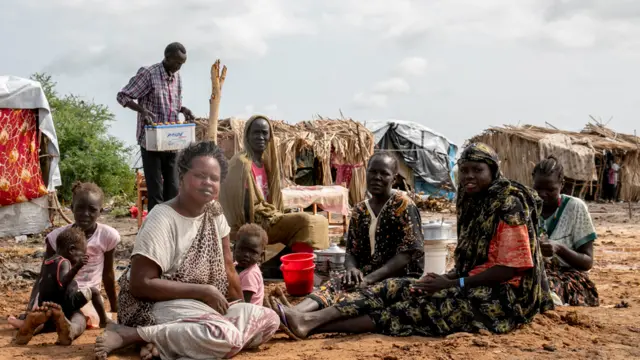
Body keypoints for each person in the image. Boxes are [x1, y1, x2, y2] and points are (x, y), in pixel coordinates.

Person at [271, 143, 553, 339]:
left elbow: (510, 269)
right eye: (464, 169)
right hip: (468, 281)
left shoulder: (508, 203)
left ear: (493, 171)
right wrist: (448, 278)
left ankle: (309, 324)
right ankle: (303, 318)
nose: (469, 176)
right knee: (395, 288)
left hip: (505, 298)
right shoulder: (473, 201)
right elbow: (472, 260)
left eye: (477, 170)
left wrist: (454, 283)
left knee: (408, 310)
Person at [94, 141, 279, 360]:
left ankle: (166, 343)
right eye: (200, 175)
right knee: (227, 337)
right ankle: (132, 335)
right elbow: (140, 284)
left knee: (268, 320)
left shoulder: (215, 212)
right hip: (154, 305)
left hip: (201, 306)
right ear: (181, 177)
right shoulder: (162, 218)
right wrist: (204, 292)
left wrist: (236, 310)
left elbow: (229, 268)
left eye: (214, 178)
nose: (208, 183)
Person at [274, 152, 424, 313]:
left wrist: (369, 279)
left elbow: (407, 254)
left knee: (364, 295)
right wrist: (352, 269)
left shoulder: (403, 205)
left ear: (394, 179)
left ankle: (305, 319)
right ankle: (292, 312)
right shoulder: (360, 210)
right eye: (373, 172)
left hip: (400, 278)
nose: (377, 177)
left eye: (384, 173)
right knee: (335, 283)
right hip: (368, 274)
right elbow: (351, 251)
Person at [220, 115, 329, 278]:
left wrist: (274, 214)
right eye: (256, 133)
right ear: (247, 136)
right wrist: (253, 226)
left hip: (270, 216)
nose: (261, 137)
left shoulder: (266, 163)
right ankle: (287, 266)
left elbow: (269, 198)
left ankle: (281, 264)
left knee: (319, 222)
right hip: (254, 221)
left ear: (270, 136)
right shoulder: (241, 163)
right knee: (309, 222)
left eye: (265, 133)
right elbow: (239, 203)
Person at [8, 182, 119, 331]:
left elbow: (108, 274)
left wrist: (114, 306)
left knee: (79, 314)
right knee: (48, 310)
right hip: (57, 291)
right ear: (72, 208)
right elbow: (43, 275)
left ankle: (54, 327)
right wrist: (31, 306)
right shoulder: (57, 237)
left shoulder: (107, 236)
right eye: (80, 208)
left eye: (92, 210)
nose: (85, 214)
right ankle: (33, 322)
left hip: (85, 295)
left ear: (101, 211)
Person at [117, 42, 195, 212]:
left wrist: (183, 109)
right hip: (151, 141)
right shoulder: (149, 74)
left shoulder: (177, 77)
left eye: (182, 64)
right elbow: (122, 96)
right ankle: (155, 231)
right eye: (177, 63)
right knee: (156, 192)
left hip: (172, 141)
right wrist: (142, 110)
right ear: (167, 58)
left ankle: (171, 228)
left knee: (173, 189)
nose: (179, 67)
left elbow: (173, 103)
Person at [15, 227, 109, 346]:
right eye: (81, 254)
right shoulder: (64, 262)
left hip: (46, 303)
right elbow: (62, 284)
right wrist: (76, 267)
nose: (81, 258)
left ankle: (31, 327)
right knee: (83, 311)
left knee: (47, 324)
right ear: (71, 249)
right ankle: (101, 322)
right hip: (65, 302)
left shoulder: (48, 261)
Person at [532, 156, 599, 307]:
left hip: (568, 275)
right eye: (538, 189)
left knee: (546, 289)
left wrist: (559, 248)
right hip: (537, 271)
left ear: (561, 185)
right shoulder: (527, 208)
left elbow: (587, 262)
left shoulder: (575, 208)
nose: (542, 194)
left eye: (550, 189)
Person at [234, 224, 268, 306]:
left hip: (248, 312)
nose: (246, 255)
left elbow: (244, 304)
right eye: (242, 249)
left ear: (261, 256)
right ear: (234, 248)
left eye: (252, 252)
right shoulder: (234, 265)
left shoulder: (250, 275)